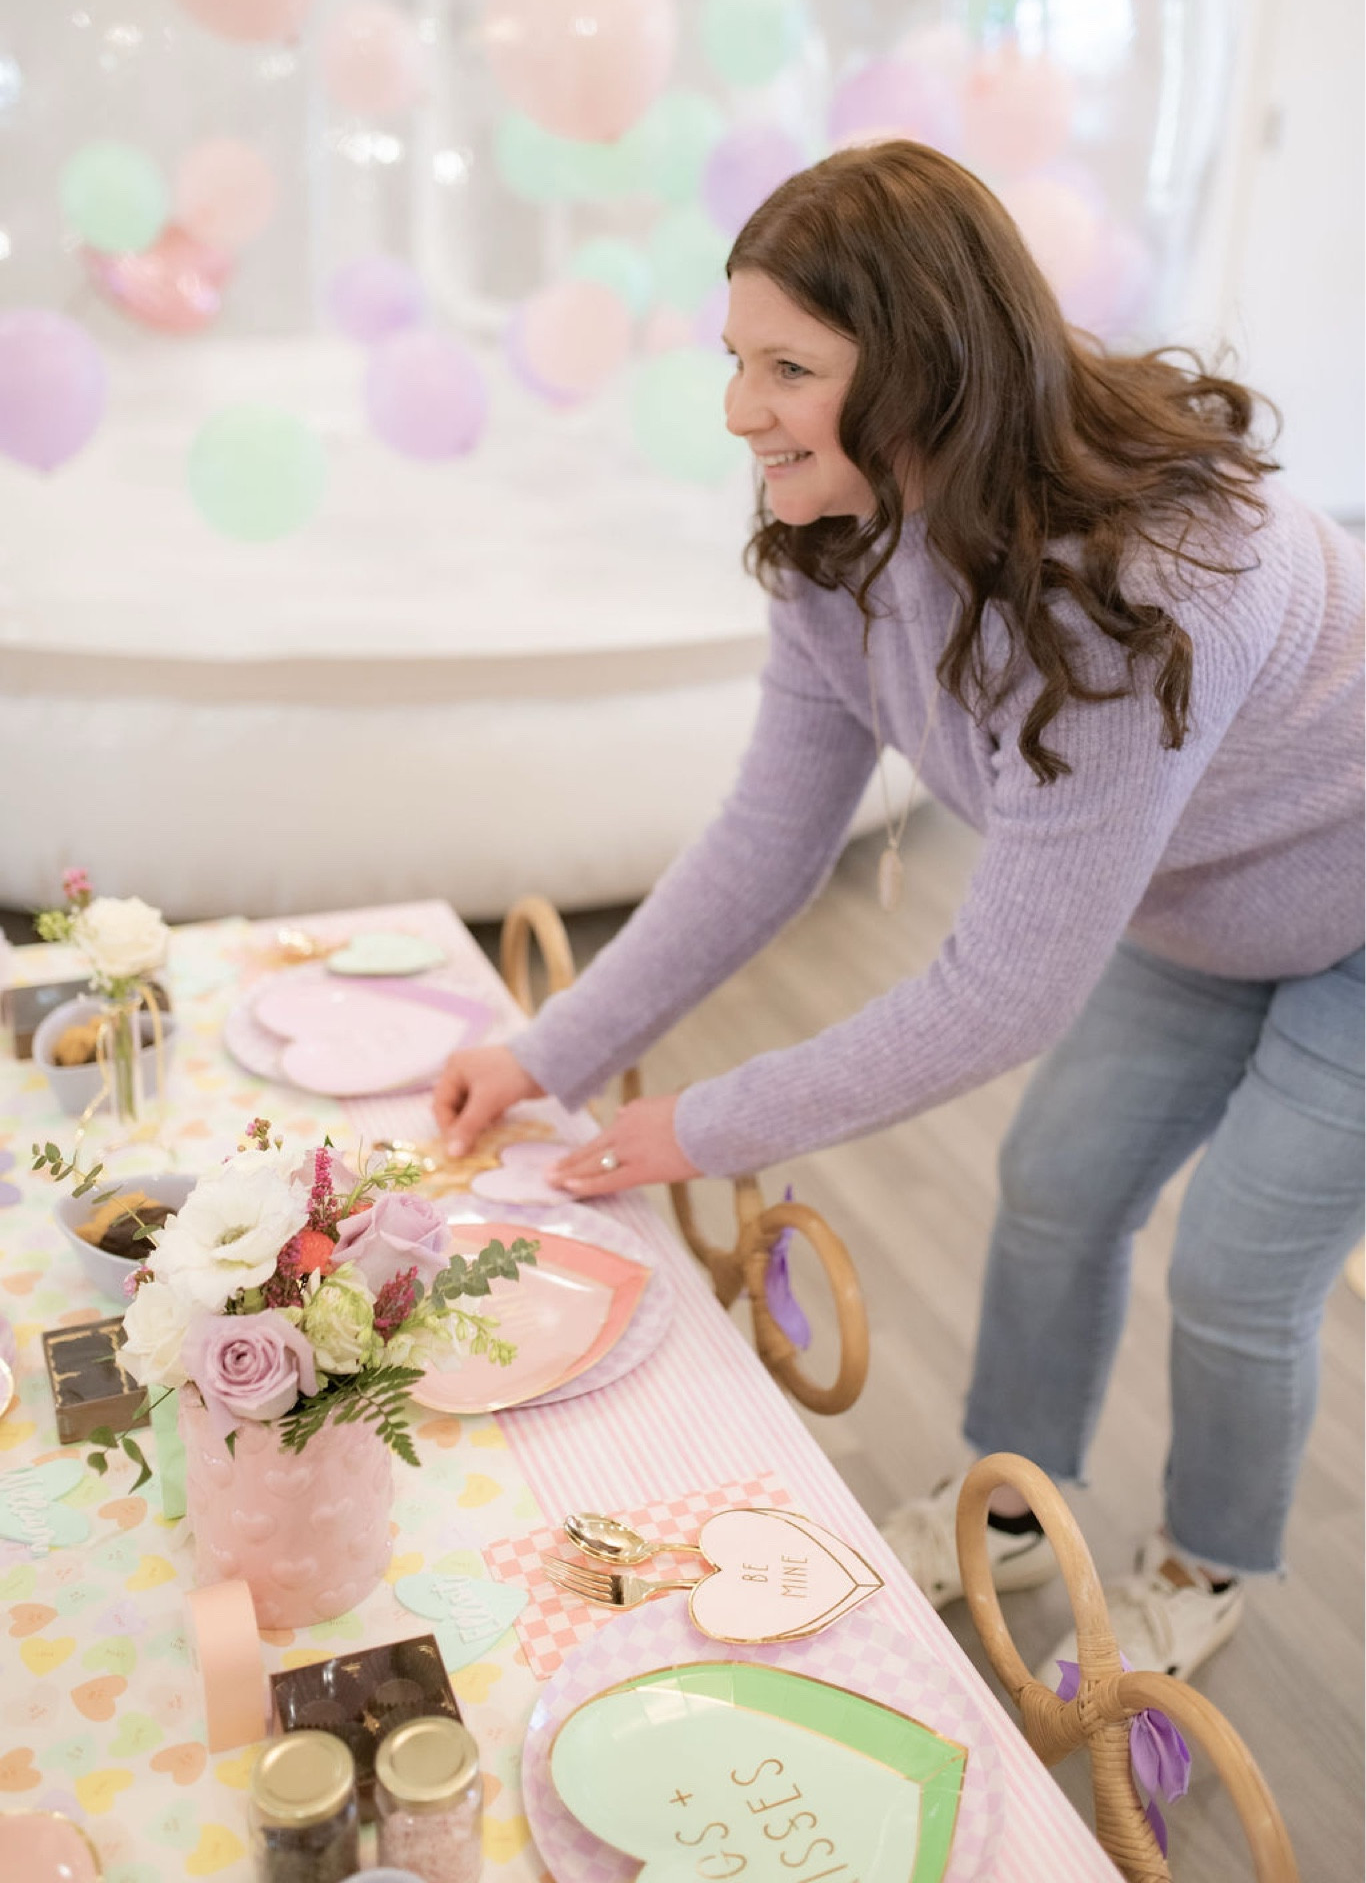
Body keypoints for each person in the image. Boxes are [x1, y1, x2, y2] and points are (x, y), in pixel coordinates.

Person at [432, 141, 1365, 1684]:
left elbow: (999, 994)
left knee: (1237, 1268)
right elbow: (764, 841)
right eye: (736, 359)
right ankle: (1015, 1504)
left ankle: (1205, 1562)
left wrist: (701, 1124)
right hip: (1201, 910)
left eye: (787, 367)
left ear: (928, 366)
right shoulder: (841, 541)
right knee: (1056, 1177)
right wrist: (552, 1050)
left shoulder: (1152, 582)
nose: (740, 411)